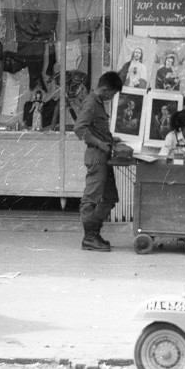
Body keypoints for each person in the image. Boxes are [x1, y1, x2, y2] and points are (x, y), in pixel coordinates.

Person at [73, 71, 132, 252]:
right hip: (96, 156)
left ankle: (94, 234)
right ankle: (89, 238)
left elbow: (97, 129)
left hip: (104, 156)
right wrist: (100, 143)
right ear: (105, 89)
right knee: (90, 199)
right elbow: (79, 129)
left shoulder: (97, 103)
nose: (111, 98)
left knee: (110, 198)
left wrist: (112, 140)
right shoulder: (91, 103)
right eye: (112, 94)